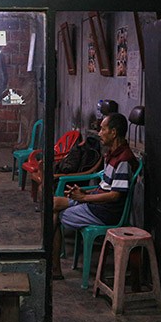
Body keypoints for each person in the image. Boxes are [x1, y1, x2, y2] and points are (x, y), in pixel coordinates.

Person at [51, 112, 138, 280]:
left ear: (113, 132)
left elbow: (114, 196)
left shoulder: (123, 160)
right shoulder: (111, 155)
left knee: (54, 215)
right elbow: (105, 187)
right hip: (95, 204)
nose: (99, 133)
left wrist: (83, 198)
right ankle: (53, 265)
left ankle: (54, 268)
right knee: (52, 204)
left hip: (105, 212)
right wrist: (84, 192)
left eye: (103, 129)